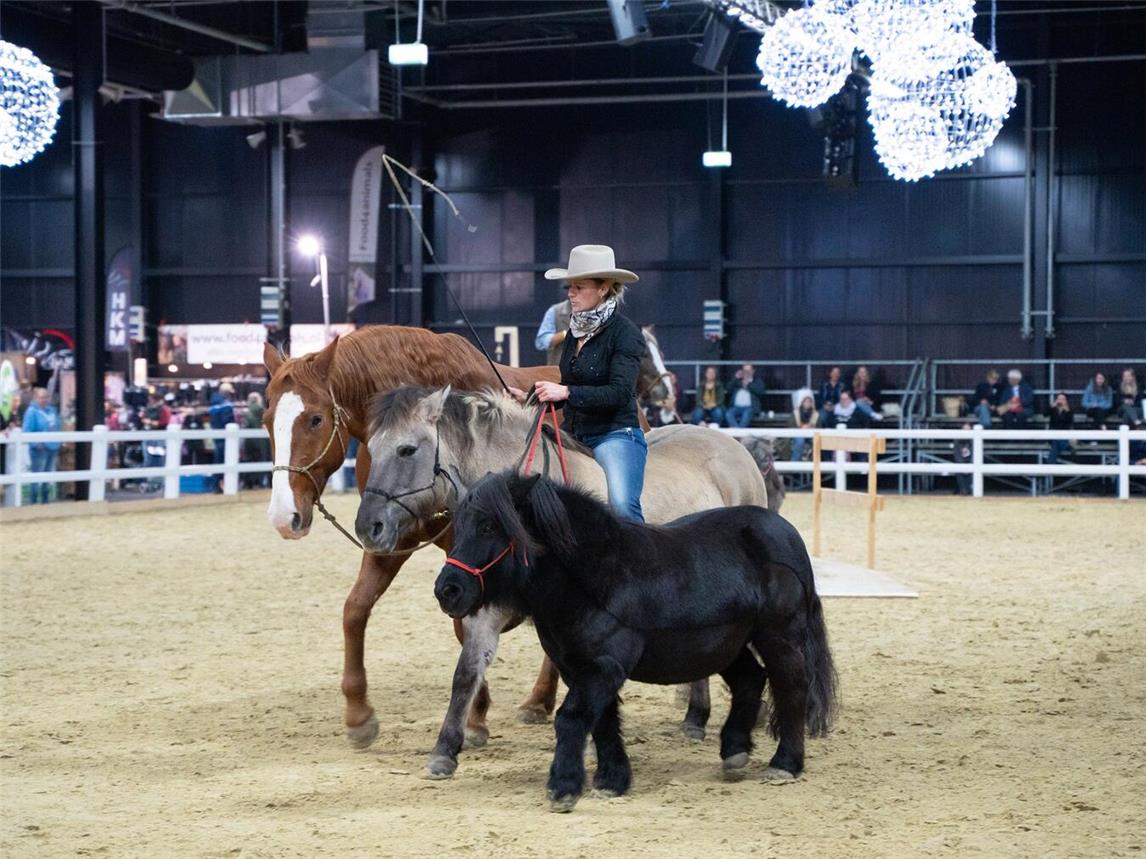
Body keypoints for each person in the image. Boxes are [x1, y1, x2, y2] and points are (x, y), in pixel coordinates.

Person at [511, 244, 646, 522]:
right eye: (569, 287)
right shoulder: (575, 331)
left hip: (615, 434)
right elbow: (570, 391)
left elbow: (620, 394)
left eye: (579, 287)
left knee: (622, 508)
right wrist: (532, 397)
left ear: (604, 288)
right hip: (574, 435)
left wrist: (566, 391)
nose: (570, 293)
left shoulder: (625, 334)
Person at [22, 387, 61, 504]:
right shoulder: (31, 411)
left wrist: (58, 440)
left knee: (47, 476)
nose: (43, 400)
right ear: (35, 398)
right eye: (41, 397)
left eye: (45, 397)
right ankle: (33, 502)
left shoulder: (52, 410)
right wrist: (36, 443)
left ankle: (45, 501)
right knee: (37, 476)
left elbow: (58, 426)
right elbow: (27, 430)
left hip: (52, 447)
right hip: (39, 449)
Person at [209, 385, 236, 492]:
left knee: (218, 460)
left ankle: (217, 484)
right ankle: (220, 485)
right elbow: (227, 420)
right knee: (225, 459)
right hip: (225, 435)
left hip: (217, 434)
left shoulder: (213, 404)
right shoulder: (226, 405)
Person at [726, 363, 767, 428]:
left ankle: (737, 434)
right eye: (745, 370)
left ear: (753, 371)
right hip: (736, 407)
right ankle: (738, 432)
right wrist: (735, 378)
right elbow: (728, 389)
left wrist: (748, 385)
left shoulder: (757, 381)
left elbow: (761, 392)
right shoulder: (737, 381)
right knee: (728, 413)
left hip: (750, 408)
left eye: (748, 370)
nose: (747, 372)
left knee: (746, 414)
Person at [534, 298, 573, 366]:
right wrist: (565, 334)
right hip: (559, 371)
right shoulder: (556, 311)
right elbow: (541, 342)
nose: (573, 293)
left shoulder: (596, 311)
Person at [790, 389, 818, 462]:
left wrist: (811, 428)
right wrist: (801, 428)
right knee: (800, 441)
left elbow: (819, 427)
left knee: (816, 442)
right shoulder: (795, 413)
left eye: (810, 401)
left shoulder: (816, 414)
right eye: (806, 401)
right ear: (802, 402)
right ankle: (794, 465)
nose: (808, 403)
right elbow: (791, 427)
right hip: (798, 435)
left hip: (812, 435)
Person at [1046, 392, 1074, 464]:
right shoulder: (1053, 409)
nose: (1060, 400)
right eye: (1059, 399)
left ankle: (1049, 466)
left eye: (1063, 399)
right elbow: (1045, 414)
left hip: (1063, 435)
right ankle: (1066, 446)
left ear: (1066, 401)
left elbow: (1070, 422)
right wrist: (1051, 407)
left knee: (1055, 444)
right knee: (1055, 439)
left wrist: (1067, 411)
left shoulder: (1069, 410)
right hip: (1052, 434)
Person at [953, 422, 973, 495]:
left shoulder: (975, 440)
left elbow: (975, 455)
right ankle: (963, 490)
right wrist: (962, 465)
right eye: (964, 429)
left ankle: (969, 490)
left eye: (968, 429)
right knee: (959, 471)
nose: (966, 432)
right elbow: (957, 455)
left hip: (971, 462)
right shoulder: (957, 440)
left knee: (971, 472)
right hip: (961, 462)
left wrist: (970, 464)